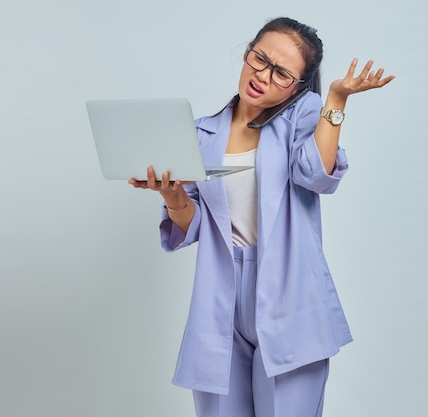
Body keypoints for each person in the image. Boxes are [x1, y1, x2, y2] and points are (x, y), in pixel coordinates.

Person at [129, 16, 394, 417]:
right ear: (248, 51)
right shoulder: (201, 133)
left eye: (282, 73)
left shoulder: (303, 115)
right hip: (219, 295)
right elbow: (193, 224)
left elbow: (316, 175)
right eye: (259, 59)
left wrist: (336, 100)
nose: (263, 76)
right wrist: (173, 196)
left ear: (298, 85)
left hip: (290, 295)